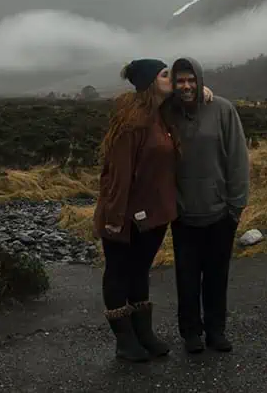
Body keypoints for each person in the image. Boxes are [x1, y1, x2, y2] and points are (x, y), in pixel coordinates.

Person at [92, 59, 184, 362]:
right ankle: (124, 340)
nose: (170, 78)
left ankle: (144, 334)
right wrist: (115, 218)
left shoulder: (163, 116)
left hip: (155, 215)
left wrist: (206, 91)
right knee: (118, 272)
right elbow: (118, 174)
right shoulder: (132, 122)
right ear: (149, 83)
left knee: (139, 272)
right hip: (126, 216)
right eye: (164, 74)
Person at [163, 56, 250, 353]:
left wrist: (236, 207)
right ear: (173, 84)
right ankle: (191, 333)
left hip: (220, 213)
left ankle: (216, 330)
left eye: (191, 80)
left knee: (216, 275)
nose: (186, 86)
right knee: (186, 277)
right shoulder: (167, 114)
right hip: (184, 213)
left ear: (199, 80)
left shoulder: (223, 110)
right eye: (180, 80)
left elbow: (238, 161)